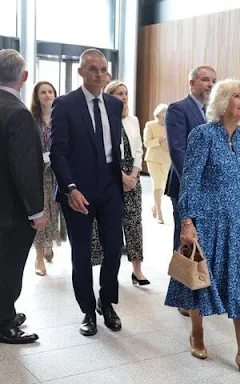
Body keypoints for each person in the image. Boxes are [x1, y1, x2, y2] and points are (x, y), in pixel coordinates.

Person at [165, 79, 240, 372]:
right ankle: (197, 334)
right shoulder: (202, 135)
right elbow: (190, 179)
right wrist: (187, 220)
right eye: (237, 96)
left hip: (237, 221)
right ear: (223, 101)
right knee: (201, 279)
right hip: (207, 220)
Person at [50, 48, 125, 337]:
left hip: (109, 186)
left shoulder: (114, 105)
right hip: (77, 189)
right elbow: (58, 152)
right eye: (92, 69)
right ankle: (86, 309)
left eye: (103, 69)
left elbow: (116, 147)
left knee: (114, 249)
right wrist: (70, 188)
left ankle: (107, 303)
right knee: (81, 253)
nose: (98, 74)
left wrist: (126, 174)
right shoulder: (65, 104)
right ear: (80, 71)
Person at [0, 49, 47, 344]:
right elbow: (25, 167)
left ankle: (4, 310)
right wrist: (36, 212)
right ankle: (5, 322)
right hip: (11, 211)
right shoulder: (18, 113)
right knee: (10, 266)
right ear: (24, 77)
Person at [165, 65, 216, 317]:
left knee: (203, 241)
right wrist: (196, 183)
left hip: (211, 191)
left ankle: (202, 290)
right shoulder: (178, 109)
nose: (210, 85)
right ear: (192, 82)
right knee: (185, 240)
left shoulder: (214, 112)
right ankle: (183, 297)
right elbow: (178, 151)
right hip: (186, 186)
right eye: (205, 80)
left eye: (213, 81)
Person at [90, 81, 147, 285]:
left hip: (133, 177)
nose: (123, 97)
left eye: (126, 93)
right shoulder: (103, 120)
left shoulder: (132, 120)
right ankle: (109, 271)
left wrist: (133, 174)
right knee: (110, 225)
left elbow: (138, 149)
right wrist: (121, 176)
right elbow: (105, 153)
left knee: (134, 223)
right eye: (119, 94)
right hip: (111, 178)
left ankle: (137, 270)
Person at [30, 81, 67, 276]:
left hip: (58, 172)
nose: (47, 95)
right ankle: (38, 257)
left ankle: (49, 245)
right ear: (37, 96)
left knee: (56, 211)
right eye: (42, 92)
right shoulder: (31, 119)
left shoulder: (59, 117)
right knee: (43, 212)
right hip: (39, 173)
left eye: (50, 91)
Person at [143, 103, 171, 224]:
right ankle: (159, 212)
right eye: (163, 116)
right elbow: (147, 143)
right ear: (157, 115)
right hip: (153, 159)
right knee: (157, 186)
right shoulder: (150, 125)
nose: (165, 119)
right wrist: (160, 140)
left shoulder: (170, 126)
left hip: (167, 159)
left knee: (163, 187)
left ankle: (155, 206)